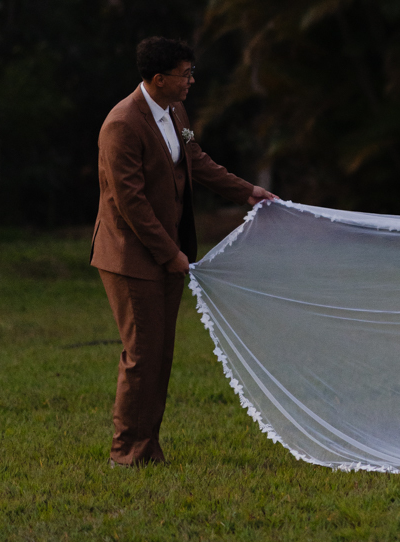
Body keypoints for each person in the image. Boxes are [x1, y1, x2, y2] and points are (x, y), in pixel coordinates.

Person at [91, 37, 276, 467]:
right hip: (131, 256)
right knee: (142, 355)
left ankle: (147, 447)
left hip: (167, 253)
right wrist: (170, 253)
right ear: (159, 79)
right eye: (185, 74)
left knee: (161, 353)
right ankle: (126, 452)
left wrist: (247, 191)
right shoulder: (122, 125)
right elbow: (129, 202)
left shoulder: (176, 113)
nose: (192, 80)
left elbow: (195, 159)